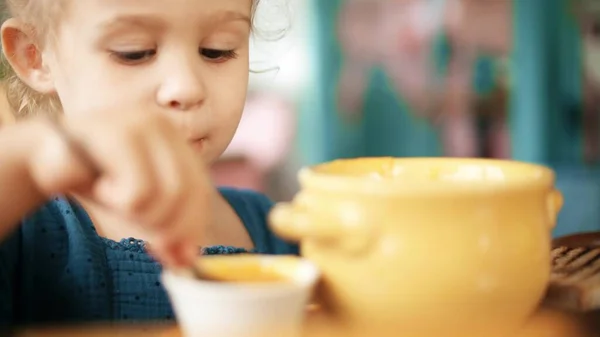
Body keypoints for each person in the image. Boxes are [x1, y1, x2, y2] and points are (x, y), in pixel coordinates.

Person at [0, 0, 298, 327]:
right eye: (135, 52)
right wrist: (35, 154)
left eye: (217, 50)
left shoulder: (281, 231)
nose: (186, 87)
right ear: (36, 56)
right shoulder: (26, 230)